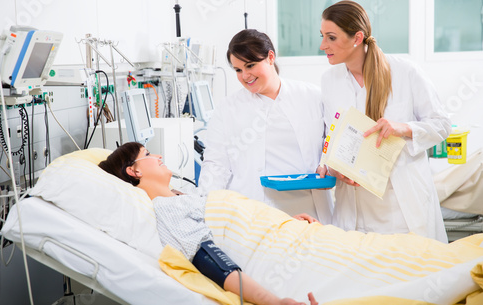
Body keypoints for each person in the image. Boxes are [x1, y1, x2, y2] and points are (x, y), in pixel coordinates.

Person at [98, 142, 318, 305]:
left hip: (288, 231)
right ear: (134, 171)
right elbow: (212, 260)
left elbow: (237, 215)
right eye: (147, 154)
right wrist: (275, 302)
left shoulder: (184, 196)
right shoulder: (167, 209)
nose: (158, 155)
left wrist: (285, 221)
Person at [319, 0, 451, 242]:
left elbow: (442, 124)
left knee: (411, 271)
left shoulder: (405, 72)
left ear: (357, 38)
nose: (322, 45)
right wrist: (331, 166)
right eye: (322, 36)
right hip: (354, 204)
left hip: (399, 205)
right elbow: (331, 135)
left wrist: (403, 128)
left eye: (331, 38)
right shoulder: (329, 81)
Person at [198, 29, 333, 224]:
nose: (245, 75)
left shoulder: (312, 97)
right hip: (255, 216)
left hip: (309, 210)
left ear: (271, 57)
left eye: (250, 65)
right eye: (237, 70)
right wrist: (204, 208)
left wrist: (328, 165)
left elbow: (333, 143)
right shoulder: (227, 109)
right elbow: (216, 165)